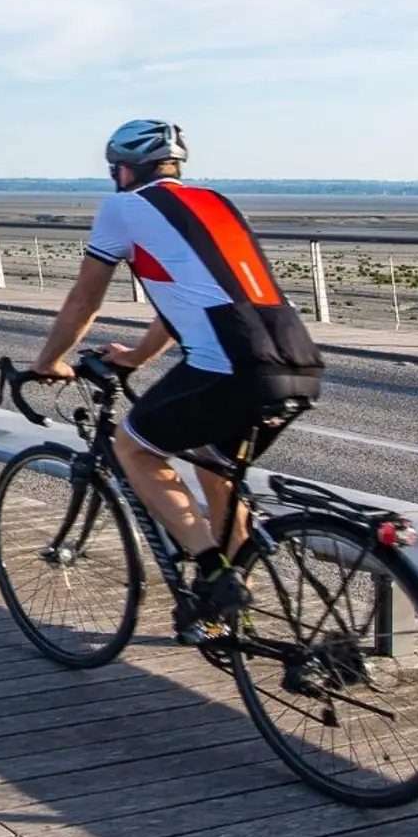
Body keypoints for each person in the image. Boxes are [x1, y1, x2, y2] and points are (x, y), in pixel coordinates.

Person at [29, 120, 324, 639]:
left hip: (232, 363)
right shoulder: (215, 202)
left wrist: (51, 360)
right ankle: (234, 615)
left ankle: (214, 572)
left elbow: (84, 298)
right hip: (295, 358)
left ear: (123, 169)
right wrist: (138, 356)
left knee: (134, 449)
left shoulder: (122, 207)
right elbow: (194, 294)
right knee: (217, 470)